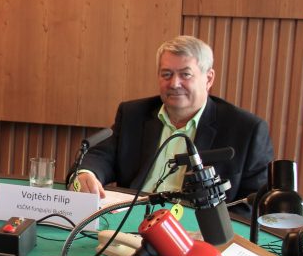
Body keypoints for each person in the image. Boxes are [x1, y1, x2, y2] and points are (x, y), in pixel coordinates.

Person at [75, 35, 274, 205]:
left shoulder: (246, 130)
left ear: (208, 78)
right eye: (167, 74)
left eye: (185, 74)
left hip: (196, 229)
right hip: (131, 218)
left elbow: (253, 204)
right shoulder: (133, 114)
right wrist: (87, 174)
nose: (174, 83)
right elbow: (102, 156)